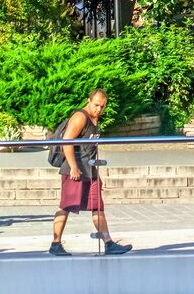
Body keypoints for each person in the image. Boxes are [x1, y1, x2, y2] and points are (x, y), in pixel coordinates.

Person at [45, 89, 131, 256]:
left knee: (97, 206)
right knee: (65, 206)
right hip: (74, 170)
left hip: (89, 169)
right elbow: (67, 142)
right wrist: (73, 167)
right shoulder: (80, 117)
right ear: (89, 101)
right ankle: (55, 244)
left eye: (102, 106)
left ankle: (108, 243)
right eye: (96, 105)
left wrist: (95, 173)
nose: (99, 109)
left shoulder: (95, 118)